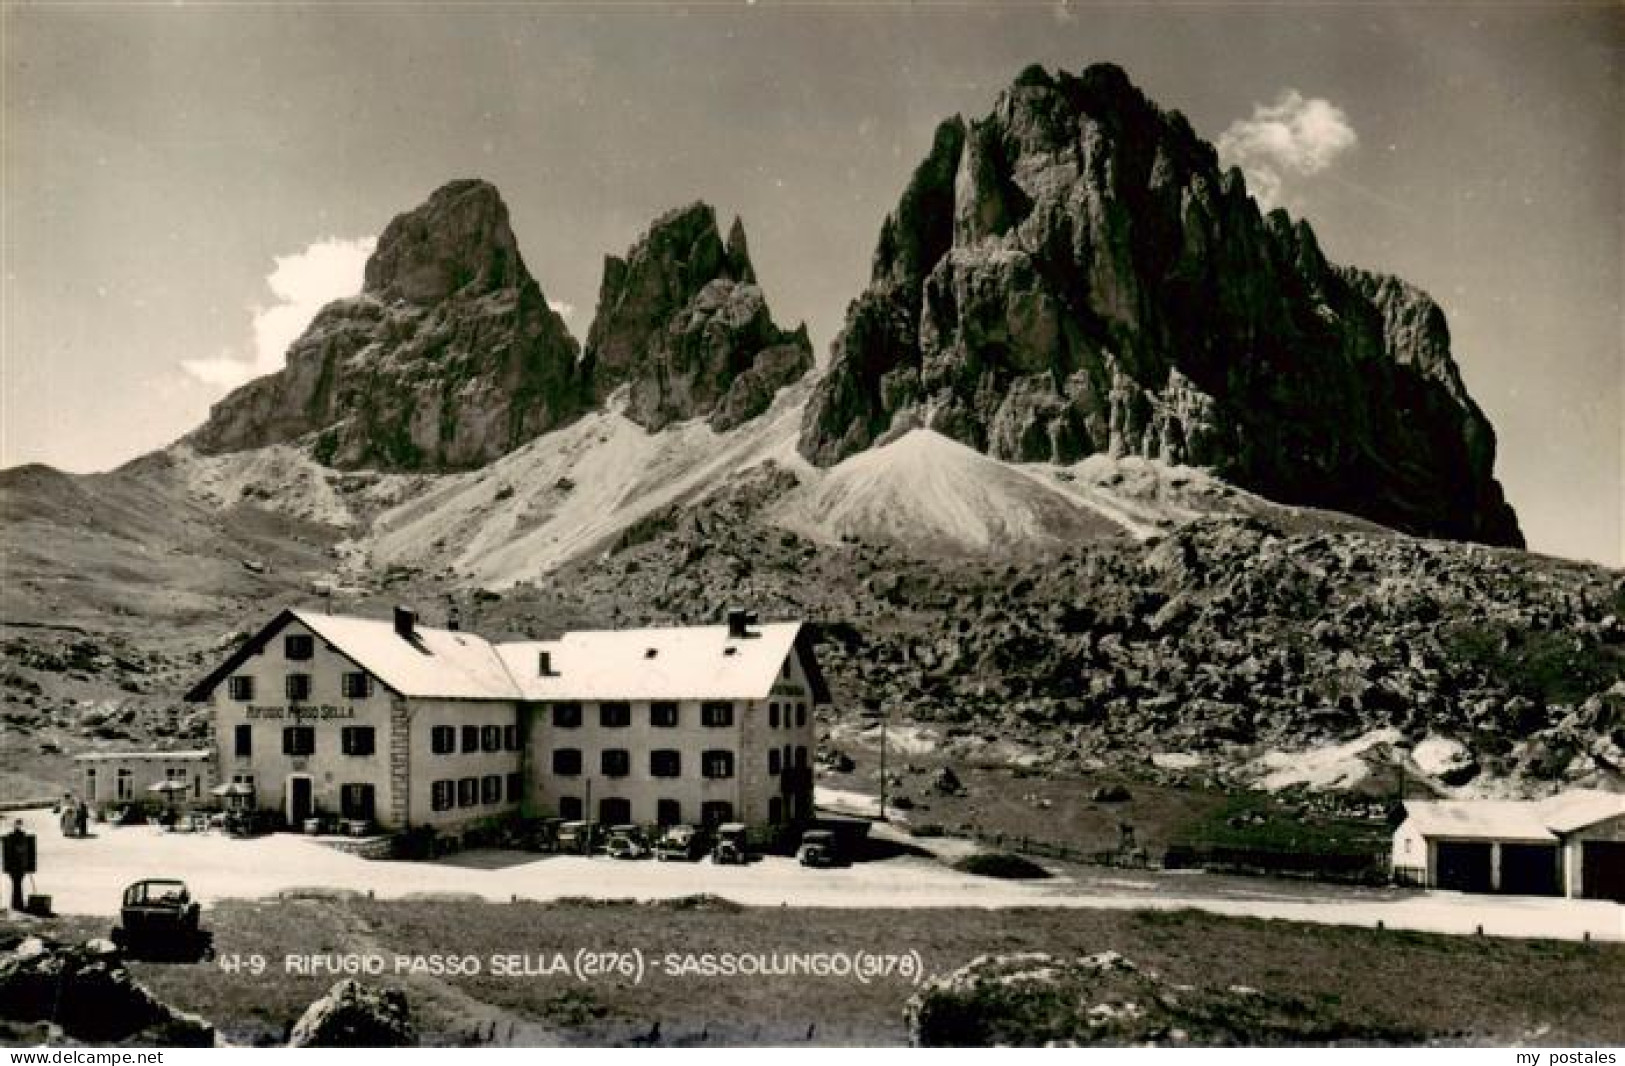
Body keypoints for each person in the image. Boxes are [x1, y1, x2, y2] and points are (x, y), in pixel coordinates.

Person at [3, 819, 35, 911]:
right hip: (18, 865)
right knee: (17, 884)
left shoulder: (14, 837)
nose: (18, 826)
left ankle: (16, 903)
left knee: (17, 884)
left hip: (16, 865)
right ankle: (17, 903)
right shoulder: (19, 838)